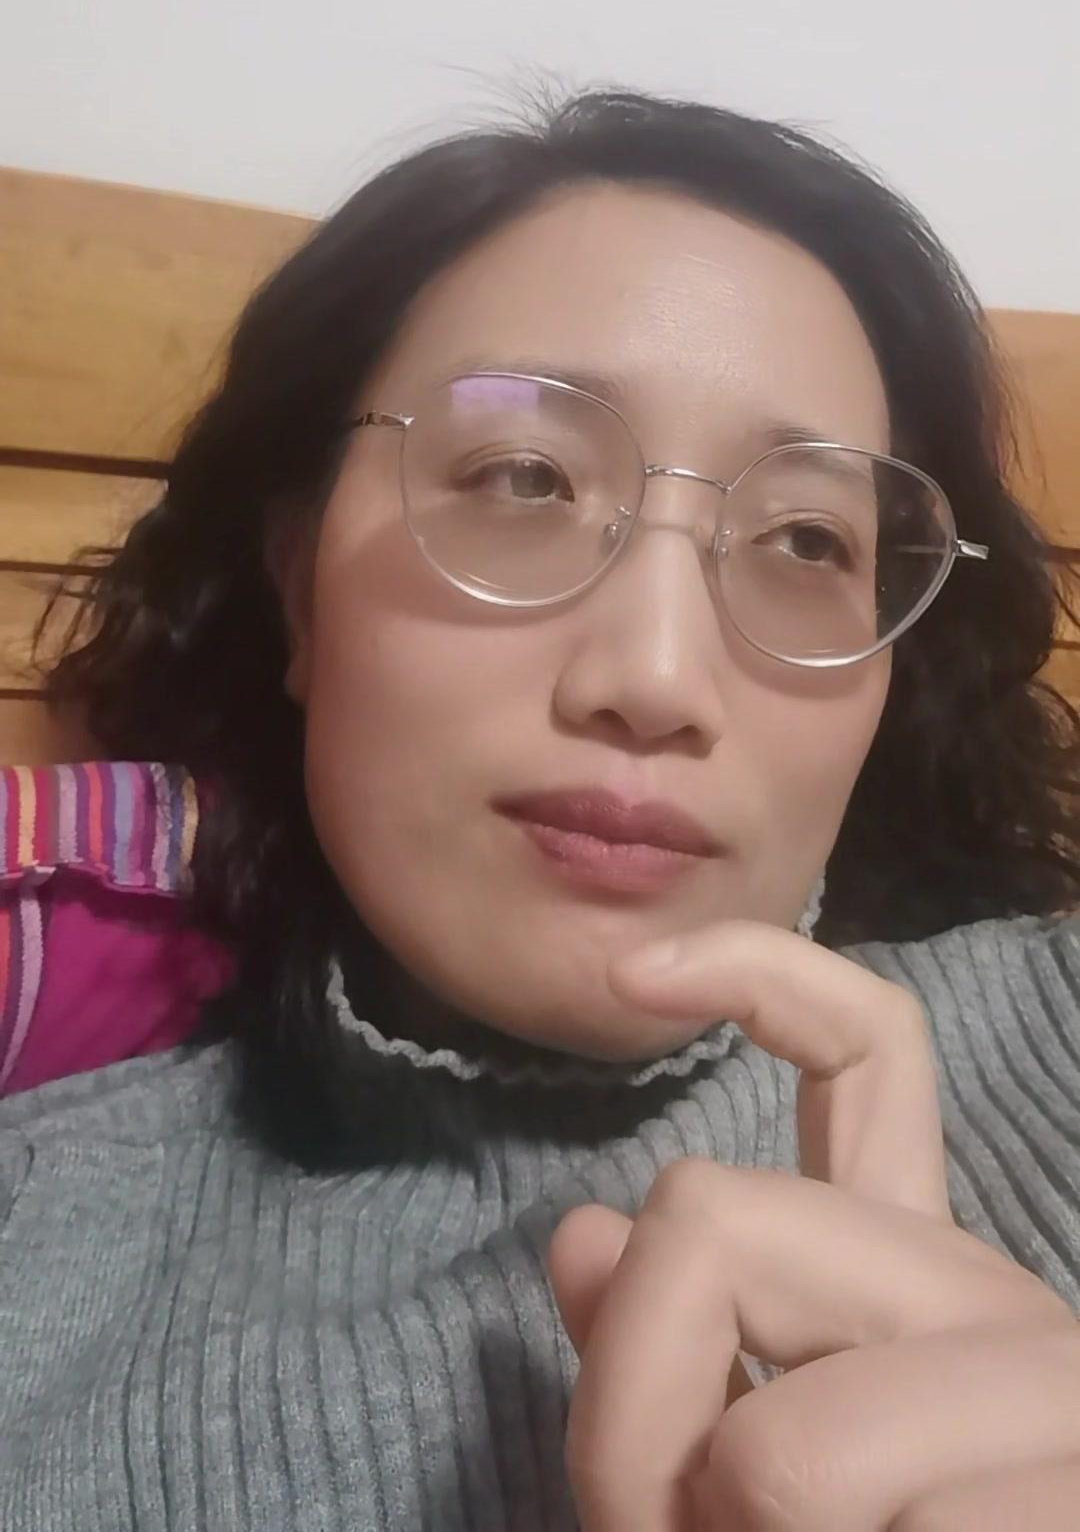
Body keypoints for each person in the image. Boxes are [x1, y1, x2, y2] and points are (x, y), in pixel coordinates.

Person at [1, 88, 1078, 1529]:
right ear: (298, 591)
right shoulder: (35, 1239)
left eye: (808, 540)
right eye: (523, 479)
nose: (656, 677)